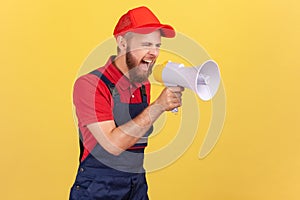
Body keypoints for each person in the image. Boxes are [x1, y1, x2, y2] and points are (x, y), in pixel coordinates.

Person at [69, 6, 184, 200]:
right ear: (122, 43)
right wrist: (158, 107)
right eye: (146, 44)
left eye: (157, 46)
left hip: (136, 185)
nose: (154, 53)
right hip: (98, 189)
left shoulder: (143, 85)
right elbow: (112, 145)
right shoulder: (90, 85)